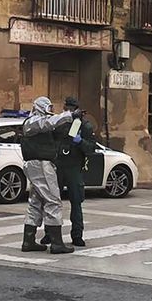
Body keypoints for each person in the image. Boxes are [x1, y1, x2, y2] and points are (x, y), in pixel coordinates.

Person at [19, 96, 79, 254]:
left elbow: (60, 132)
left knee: (35, 202)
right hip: (41, 164)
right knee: (53, 201)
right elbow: (47, 123)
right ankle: (57, 243)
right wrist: (69, 115)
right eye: (49, 108)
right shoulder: (33, 121)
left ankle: (29, 240)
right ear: (41, 107)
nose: (51, 111)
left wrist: (72, 122)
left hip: (41, 164)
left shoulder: (41, 123)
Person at [41, 96, 99, 247]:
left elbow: (91, 148)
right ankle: (50, 233)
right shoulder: (59, 123)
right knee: (53, 202)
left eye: (71, 109)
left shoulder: (83, 125)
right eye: (66, 108)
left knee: (76, 203)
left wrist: (80, 142)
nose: (68, 111)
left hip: (73, 167)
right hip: (58, 165)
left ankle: (77, 235)